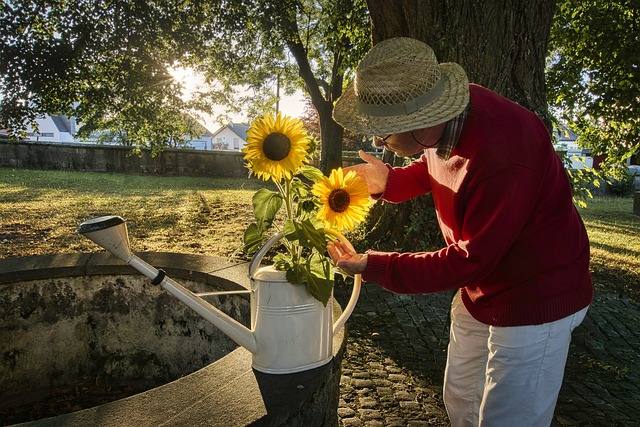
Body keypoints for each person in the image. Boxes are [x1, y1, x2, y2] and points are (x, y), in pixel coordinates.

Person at [328, 37, 593, 427]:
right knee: (461, 398)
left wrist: (374, 265)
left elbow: (469, 259)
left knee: (508, 418)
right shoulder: (447, 116)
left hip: (534, 296)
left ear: (418, 121)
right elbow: (438, 160)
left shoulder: (505, 151)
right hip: (482, 289)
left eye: (384, 134)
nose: (376, 142)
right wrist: (391, 181)